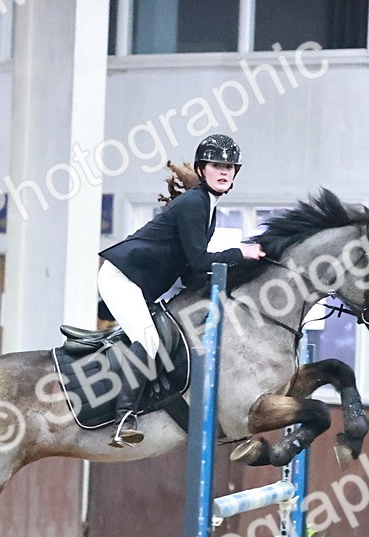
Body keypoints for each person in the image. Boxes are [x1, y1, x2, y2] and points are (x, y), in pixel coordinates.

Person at [97, 134, 265, 447]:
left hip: (138, 283)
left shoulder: (207, 206)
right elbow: (201, 260)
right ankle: (122, 419)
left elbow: (191, 271)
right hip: (121, 278)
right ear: (202, 169)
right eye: (217, 165)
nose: (224, 171)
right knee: (147, 340)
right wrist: (240, 253)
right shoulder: (195, 203)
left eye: (230, 166)